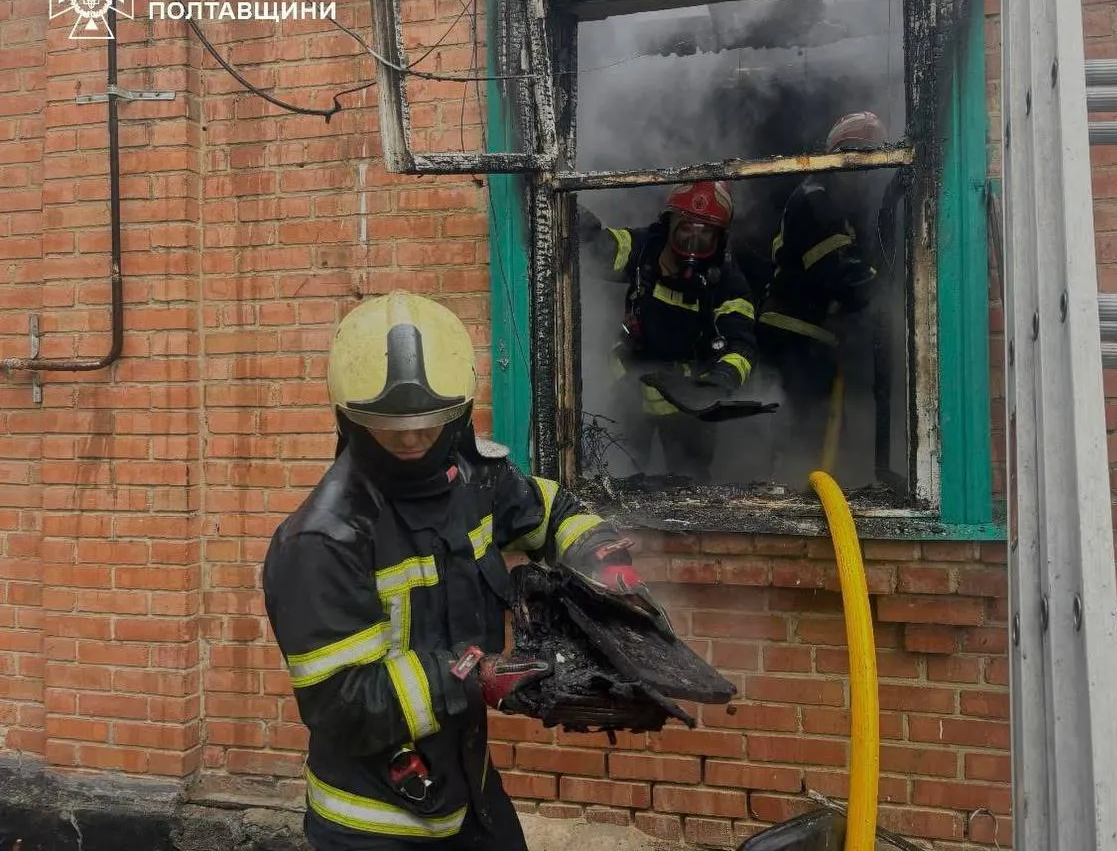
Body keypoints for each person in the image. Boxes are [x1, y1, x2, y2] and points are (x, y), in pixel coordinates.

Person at [262, 291, 653, 851]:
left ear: (461, 410)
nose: (412, 438)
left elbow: (548, 511)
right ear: (348, 416)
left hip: (469, 793)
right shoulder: (323, 541)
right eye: (389, 424)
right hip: (374, 820)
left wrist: (603, 558)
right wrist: (477, 677)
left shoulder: (474, 478)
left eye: (430, 420)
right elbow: (343, 704)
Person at [578, 180, 759, 479]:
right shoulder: (644, 248)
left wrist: (717, 382)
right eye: (686, 227)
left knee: (690, 488)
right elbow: (597, 252)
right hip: (628, 387)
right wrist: (577, 223)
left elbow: (741, 345)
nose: (693, 240)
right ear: (669, 223)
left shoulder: (728, 282)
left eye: (706, 233)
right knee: (616, 477)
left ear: (721, 238)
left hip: (687, 402)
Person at [756, 111, 886, 483]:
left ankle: (806, 497)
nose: (861, 175)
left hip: (814, 339)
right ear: (836, 159)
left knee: (817, 433)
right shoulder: (816, 200)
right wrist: (885, 285)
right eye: (855, 162)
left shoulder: (841, 205)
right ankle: (783, 508)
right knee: (798, 433)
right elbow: (840, 274)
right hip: (793, 335)